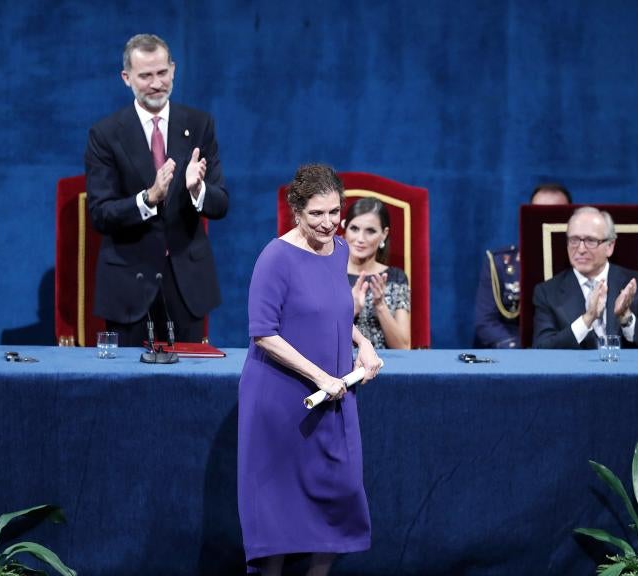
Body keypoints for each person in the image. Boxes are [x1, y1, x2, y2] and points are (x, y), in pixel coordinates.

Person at [238, 164, 381, 576]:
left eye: (335, 212)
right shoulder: (275, 258)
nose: (328, 222)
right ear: (296, 210)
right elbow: (263, 334)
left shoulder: (339, 251)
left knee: (336, 501)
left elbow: (334, 312)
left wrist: (364, 343)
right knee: (279, 515)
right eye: (317, 213)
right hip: (282, 402)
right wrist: (320, 376)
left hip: (333, 399)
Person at [85, 34, 229, 346]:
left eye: (162, 73)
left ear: (173, 70)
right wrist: (148, 198)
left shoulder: (200, 124)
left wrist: (198, 190)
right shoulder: (106, 134)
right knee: (127, 389)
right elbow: (100, 214)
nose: (156, 83)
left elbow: (220, 203)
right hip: (128, 285)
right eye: (145, 76)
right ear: (127, 78)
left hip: (186, 284)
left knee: (190, 388)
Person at [532, 206, 638, 349]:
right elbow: (541, 349)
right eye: (574, 240)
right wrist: (587, 319)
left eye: (590, 241)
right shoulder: (547, 292)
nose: (581, 249)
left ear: (610, 246)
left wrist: (626, 318)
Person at [474, 183, 571, 348]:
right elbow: (486, 323)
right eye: (539, 214)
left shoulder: (581, 264)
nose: (545, 222)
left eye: (554, 214)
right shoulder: (500, 264)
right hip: (514, 355)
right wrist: (524, 352)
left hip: (566, 352)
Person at [344, 197, 411, 349]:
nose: (360, 239)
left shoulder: (395, 278)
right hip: (338, 368)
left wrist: (380, 305)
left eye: (370, 231)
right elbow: (318, 342)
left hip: (387, 367)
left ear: (384, 234)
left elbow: (404, 347)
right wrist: (351, 311)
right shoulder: (329, 275)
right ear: (345, 229)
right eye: (354, 229)